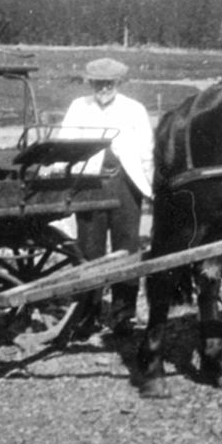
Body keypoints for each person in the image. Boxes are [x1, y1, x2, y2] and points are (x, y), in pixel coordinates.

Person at [60, 58, 154, 338]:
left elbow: (146, 150)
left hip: (126, 185)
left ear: (119, 83)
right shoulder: (79, 107)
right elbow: (66, 142)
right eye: (98, 84)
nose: (103, 88)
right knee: (90, 251)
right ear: (90, 84)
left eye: (109, 84)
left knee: (126, 249)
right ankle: (88, 315)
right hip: (90, 186)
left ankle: (124, 316)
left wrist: (149, 189)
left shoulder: (134, 110)